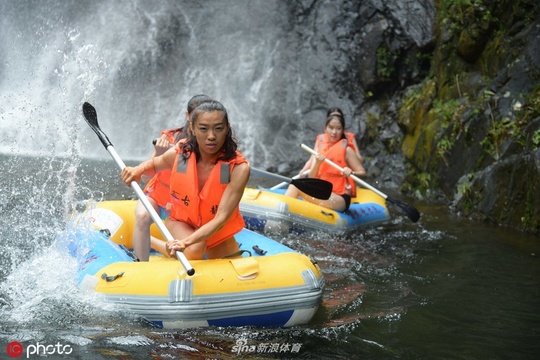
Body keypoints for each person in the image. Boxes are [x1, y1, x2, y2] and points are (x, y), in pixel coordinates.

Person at [121, 100, 250, 260]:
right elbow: (155, 164)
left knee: (230, 271)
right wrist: (136, 170)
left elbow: (221, 218)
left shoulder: (238, 168)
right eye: (203, 129)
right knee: (195, 250)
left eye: (218, 128)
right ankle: (159, 243)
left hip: (216, 227)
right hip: (182, 221)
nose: (211, 136)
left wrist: (184, 242)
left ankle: (155, 242)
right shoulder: (182, 154)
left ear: (227, 128)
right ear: (193, 129)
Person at [131, 94, 213, 261]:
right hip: (158, 198)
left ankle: (153, 242)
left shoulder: (213, 143)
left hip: (183, 207)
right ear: (188, 116)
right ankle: (140, 265)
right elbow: (146, 179)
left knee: (193, 253)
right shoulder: (168, 138)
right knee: (142, 216)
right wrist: (160, 154)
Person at [286, 113, 366, 212]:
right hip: (322, 191)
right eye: (331, 128)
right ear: (325, 128)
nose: (334, 132)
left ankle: (283, 220)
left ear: (343, 130)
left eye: (338, 128)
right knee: (294, 185)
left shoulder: (347, 150)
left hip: (339, 197)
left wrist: (351, 172)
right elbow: (312, 178)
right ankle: (282, 218)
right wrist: (317, 163)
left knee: (296, 186)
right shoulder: (320, 149)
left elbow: (363, 173)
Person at [298, 107, 365, 177]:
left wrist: (351, 168)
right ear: (326, 126)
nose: (334, 132)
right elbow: (312, 160)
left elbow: (359, 162)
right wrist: (304, 170)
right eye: (332, 117)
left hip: (344, 176)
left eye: (338, 117)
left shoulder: (348, 142)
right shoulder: (321, 139)